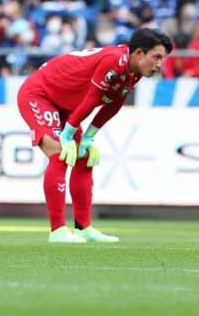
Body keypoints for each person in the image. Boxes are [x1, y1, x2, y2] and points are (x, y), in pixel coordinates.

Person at [15, 28, 172, 243]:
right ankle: (58, 231)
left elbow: (114, 104)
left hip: (65, 105)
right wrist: (69, 133)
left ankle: (83, 228)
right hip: (40, 95)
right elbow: (93, 97)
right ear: (138, 53)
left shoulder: (133, 72)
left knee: (85, 157)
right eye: (157, 57)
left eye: (162, 58)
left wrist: (89, 137)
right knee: (60, 154)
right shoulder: (114, 61)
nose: (159, 64)